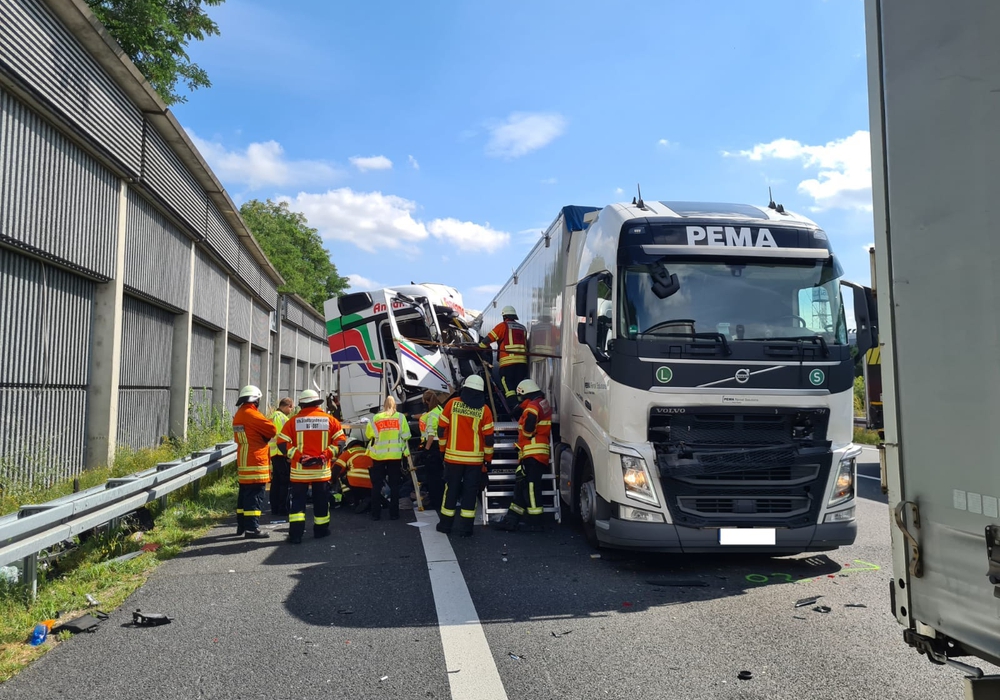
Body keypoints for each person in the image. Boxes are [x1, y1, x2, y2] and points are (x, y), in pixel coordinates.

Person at [277, 389, 346, 543]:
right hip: (321, 472)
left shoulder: (293, 421)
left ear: (301, 404)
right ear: (318, 403)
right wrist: (325, 455)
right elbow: (340, 441)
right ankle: (321, 531)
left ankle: (295, 535)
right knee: (321, 502)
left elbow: (282, 443)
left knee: (298, 505)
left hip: (299, 472)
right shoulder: (329, 420)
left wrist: (300, 457)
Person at [436, 375, 494, 537]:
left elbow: (441, 430)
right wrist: (487, 460)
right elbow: (488, 438)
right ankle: (466, 528)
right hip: (474, 460)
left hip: (453, 458)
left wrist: (442, 450)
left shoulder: (452, 404)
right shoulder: (485, 409)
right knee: (470, 492)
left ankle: (446, 525)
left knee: (451, 490)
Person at [498, 379, 552, 532]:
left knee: (530, 487)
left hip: (532, 453)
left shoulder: (532, 407)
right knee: (521, 486)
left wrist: (527, 434)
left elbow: (530, 423)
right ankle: (511, 520)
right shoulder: (541, 402)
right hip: (536, 453)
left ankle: (536, 521)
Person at [232, 385, 276, 539]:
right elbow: (272, 430)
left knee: (244, 495)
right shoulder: (252, 414)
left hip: (244, 459)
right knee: (255, 496)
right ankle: (252, 529)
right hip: (255, 460)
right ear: (255, 399)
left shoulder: (239, 414)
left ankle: (242, 525)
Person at [365, 395, 411, 521]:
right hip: (395, 455)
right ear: (395, 405)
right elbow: (406, 435)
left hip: (379, 455)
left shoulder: (376, 418)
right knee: (394, 485)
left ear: (384, 405)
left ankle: (375, 514)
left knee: (377, 485)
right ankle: (394, 514)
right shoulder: (400, 417)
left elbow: (369, 434)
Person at [481, 305, 529, 401]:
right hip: (523, 364)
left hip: (508, 363)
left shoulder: (503, 326)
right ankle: (520, 405)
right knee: (519, 387)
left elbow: (488, 339)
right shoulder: (522, 328)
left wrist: (480, 347)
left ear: (504, 316)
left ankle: (513, 405)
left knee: (508, 386)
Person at [268, 397, 295, 518]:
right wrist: (288, 454)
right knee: (284, 483)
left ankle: (274, 508)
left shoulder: (273, 416)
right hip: (281, 454)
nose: (291, 410)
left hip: (274, 454)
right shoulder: (282, 418)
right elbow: (283, 439)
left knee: (276, 482)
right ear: (287, 406)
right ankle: (283, 509)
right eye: (291, 407)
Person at [420, 390, 447, 510]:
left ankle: (435, 502)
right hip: (441, 445)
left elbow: (430, 435)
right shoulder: (440, 410)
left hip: (432, 447)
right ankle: (441, 500)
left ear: (426, 401)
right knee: (440, 476)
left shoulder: (431, 415)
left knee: (432, 478)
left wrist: (425, 450)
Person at [335, 439, 374, 513]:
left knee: (341, 477)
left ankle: (352, 502)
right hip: (371, 483)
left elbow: (336, 469)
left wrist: (330, 481)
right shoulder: (368, 452)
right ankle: (368, 499)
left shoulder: (348, 452)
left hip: (355, 483)